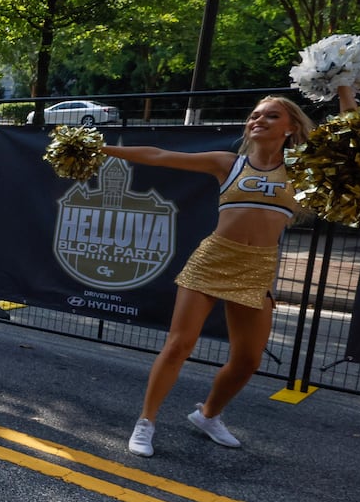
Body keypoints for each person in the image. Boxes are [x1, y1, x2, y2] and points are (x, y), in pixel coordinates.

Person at [105, 94, 315, 458]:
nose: (259, 120)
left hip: (258, 266)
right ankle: (146, 423)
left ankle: (208, 415)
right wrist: (103, 150)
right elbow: (159, 156)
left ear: (291, 127)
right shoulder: (228, 164)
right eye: (254, 115)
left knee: (248, 360)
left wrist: (345, 88)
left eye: (271, 115)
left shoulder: (303, 171)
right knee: (179, 344)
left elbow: (355, 141)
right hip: (214, 258)